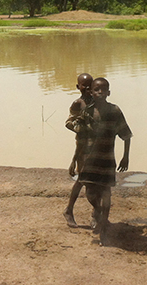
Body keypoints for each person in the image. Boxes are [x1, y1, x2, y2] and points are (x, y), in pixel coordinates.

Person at [78, 77, 132, 245]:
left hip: (107, 159)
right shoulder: (87, 112)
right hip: (90, 159)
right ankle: (98, 211)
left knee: (106, 193)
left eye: (103, 89)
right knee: (90, 192)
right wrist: (77, 158)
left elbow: (126, 135)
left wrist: (126, 156)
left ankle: (103, 230)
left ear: (109, 92)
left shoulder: (114, 111)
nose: (100, 92)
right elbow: (80, 136)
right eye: (96, 90)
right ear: (91, 92)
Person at [63, 73, 94, 228]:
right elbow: (68, 123)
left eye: (90, 85)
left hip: (98, 146)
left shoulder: (97, 101)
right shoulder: (78, 104)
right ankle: (69, 210)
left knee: (96, 180)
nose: (87, 88)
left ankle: (96, 213)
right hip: (83, 147)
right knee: (83, 179)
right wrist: (82, 127)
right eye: (84, 86)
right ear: (78, 87)